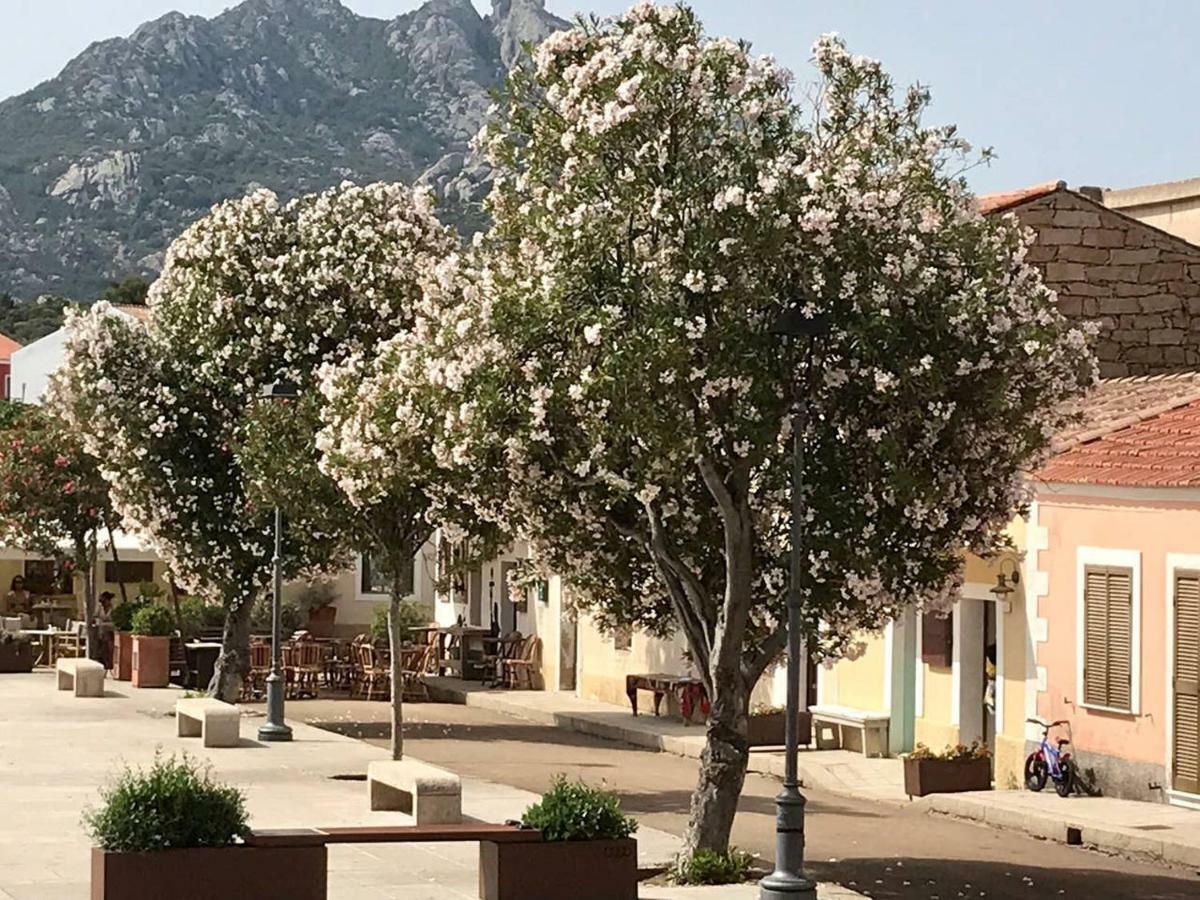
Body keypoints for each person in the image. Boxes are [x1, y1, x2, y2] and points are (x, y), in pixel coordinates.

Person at [95, 592, 116, 667]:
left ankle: (109, 661)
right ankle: (103, 660)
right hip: (101, 630)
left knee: (108, 641)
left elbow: (114, 621)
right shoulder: (100, 608)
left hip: (111, 630)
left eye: (105, 601)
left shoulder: (113, 608)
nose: (104, 604)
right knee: (102, 640)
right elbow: (96, 617)